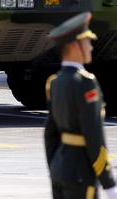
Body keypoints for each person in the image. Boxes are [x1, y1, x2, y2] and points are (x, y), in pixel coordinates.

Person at [44, 11, 117, 199]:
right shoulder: (85, 83)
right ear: (75, 45)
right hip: (80, 173)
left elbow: (50, 135)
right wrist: (108, 183)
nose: (91, 47)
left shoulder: (54, 82)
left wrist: (55, 168)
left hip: (60, 169)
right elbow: (94, 137)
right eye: (87, 42)